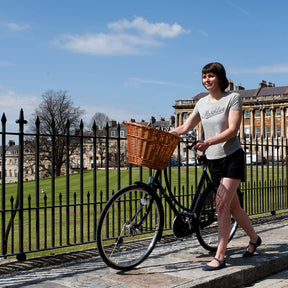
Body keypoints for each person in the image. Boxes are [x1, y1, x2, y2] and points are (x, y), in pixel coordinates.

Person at [170, 62, 261, 271]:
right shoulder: (201, 103)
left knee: (221, 205)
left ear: (220, 78)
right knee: (233, 206)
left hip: (232, 157)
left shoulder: (233, 98)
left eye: (210, 76)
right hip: (213, 160)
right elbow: (185, 127)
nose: (206, 80)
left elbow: (232, 130)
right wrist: (167, 134)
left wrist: (208, 141)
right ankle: (254, 239)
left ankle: (220, 256)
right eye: (204, 76)